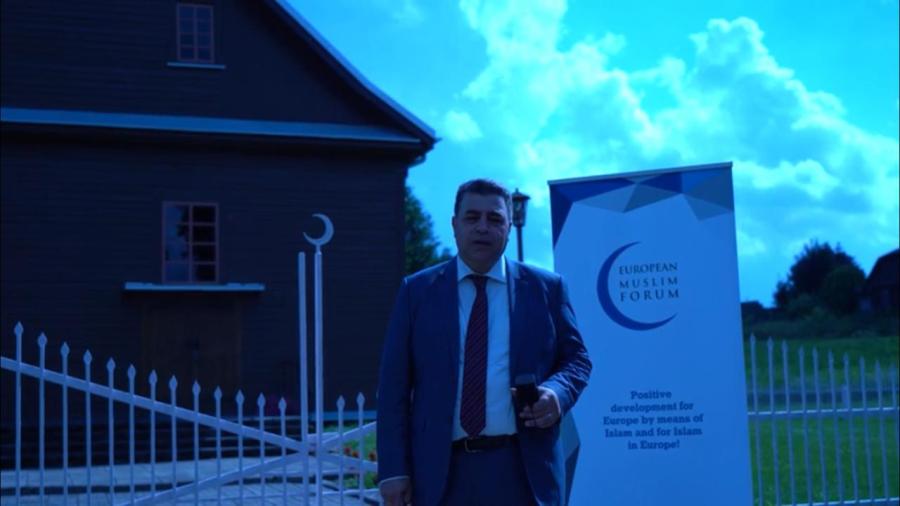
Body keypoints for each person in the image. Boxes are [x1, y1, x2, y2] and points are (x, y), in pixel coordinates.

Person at [376, 179, 592, 506]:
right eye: (472, 217)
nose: (482, 227)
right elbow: (393, 385)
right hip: (440, 476)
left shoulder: (546, 289)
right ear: (454, 225)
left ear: (508, 227)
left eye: (494, 219)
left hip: (524, 472)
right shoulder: (416, 292)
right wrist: (393, 470)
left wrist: (557, 394)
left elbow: (577, 359)